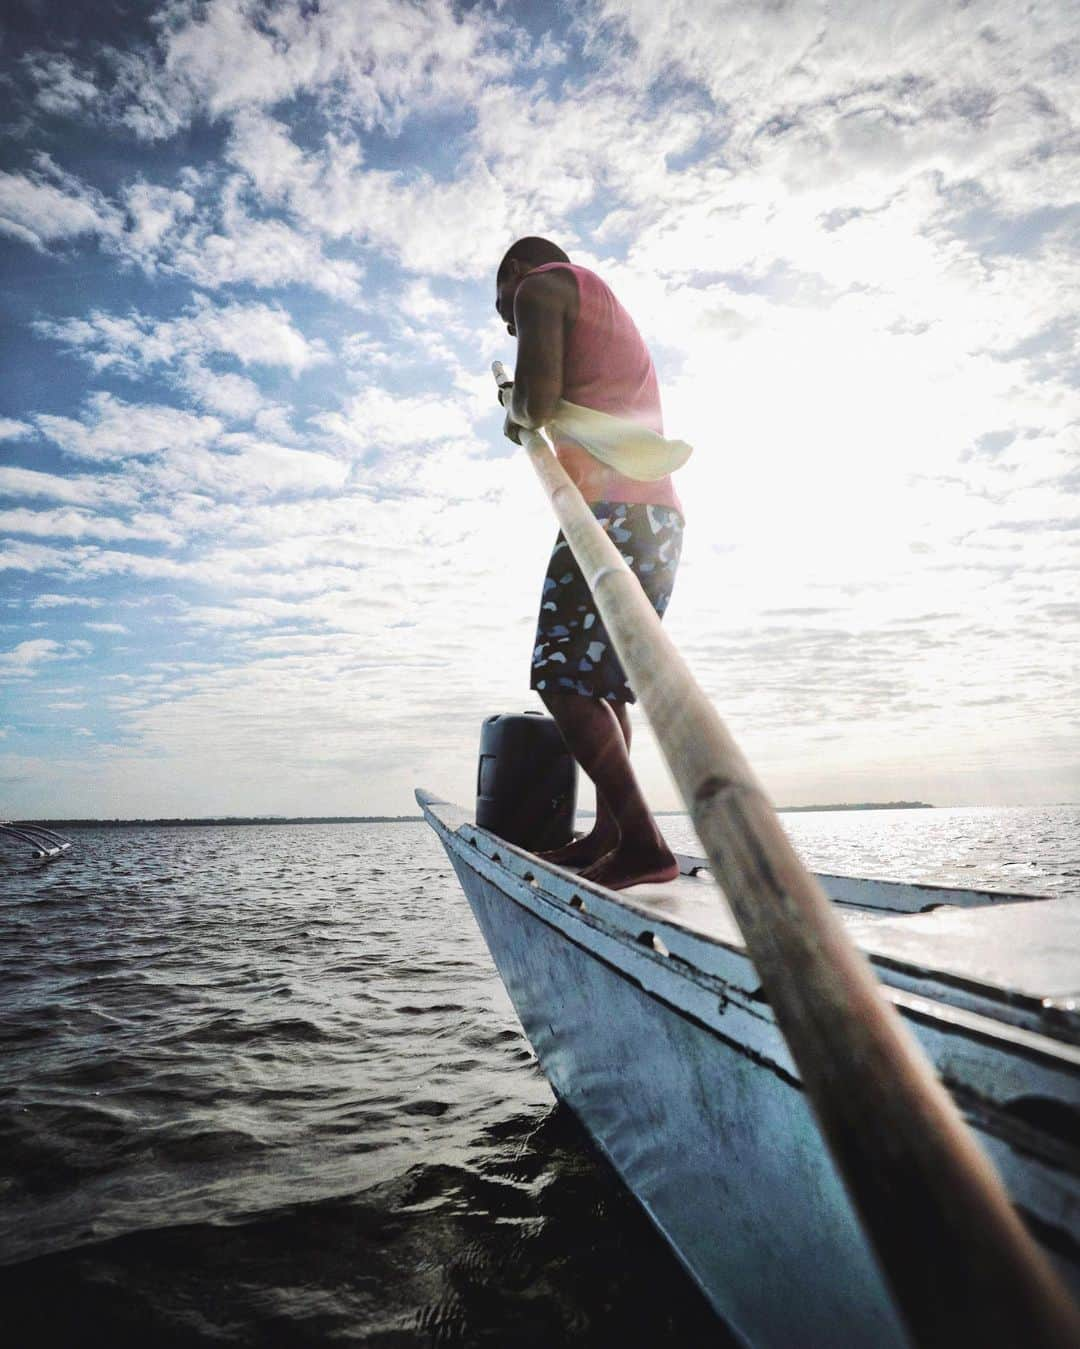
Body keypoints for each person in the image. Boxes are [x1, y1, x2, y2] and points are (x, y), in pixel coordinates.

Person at [495, 236, 686, 890]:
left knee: (559, 673)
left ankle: (642, 841)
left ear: (516, 272)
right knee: (601, 681)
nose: (510, 324)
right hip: (657, 518)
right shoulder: (596, 304)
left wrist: (514, 408)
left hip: (615, 512)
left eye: (505, 312)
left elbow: (536, 403)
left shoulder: (541, 284)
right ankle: (612, 833)